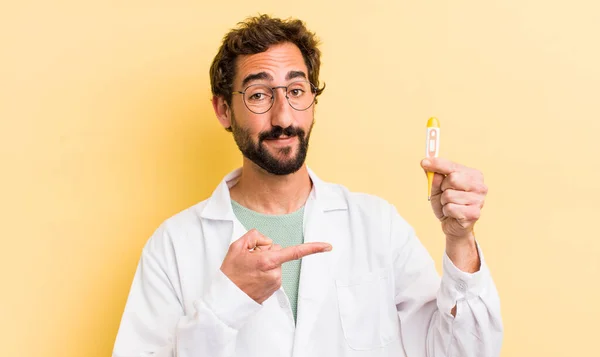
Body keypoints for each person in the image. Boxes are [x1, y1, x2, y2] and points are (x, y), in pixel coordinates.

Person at [112, 15, 503, 357]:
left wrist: (460, 240)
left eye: (296, 91)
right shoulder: (174, 246)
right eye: (259, 95)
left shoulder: (376, 225)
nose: (284, 116)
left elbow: (465, 352)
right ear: (223, 110)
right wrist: (226, 302)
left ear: (313, 99)